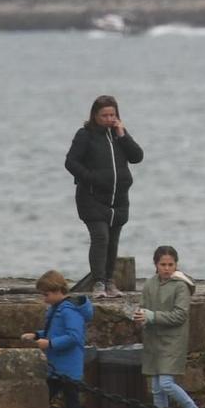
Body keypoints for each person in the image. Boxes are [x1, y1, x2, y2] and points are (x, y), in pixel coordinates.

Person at [64, 94, 144, 296]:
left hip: (118, 200)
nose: (109, 119)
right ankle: (98, 282)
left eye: (112, 115)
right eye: (104, 115)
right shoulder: (85, 135)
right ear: (95, 115)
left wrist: (122, 134)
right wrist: (91, 178)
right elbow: (71, 162)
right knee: (101, 237)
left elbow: (137, 157)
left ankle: (110, 282)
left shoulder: (119, 135)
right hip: (91, 198)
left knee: (113, 241)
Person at [134, 245, 200, 408]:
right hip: (153, 340)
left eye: (171, 264)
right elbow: (143, 307)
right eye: (163, 264)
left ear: (176, 265)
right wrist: (139, 317)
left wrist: (153, 316)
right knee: (156, 389)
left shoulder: (181, 286)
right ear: (156, 265)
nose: (167, 268)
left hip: (173, 340)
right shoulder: (149, 284)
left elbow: (180, 315)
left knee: (165, 383)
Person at [25, 270, 93, 408]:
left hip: (68, 368)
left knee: (73, 406)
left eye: (46, 294)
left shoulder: (69, 310)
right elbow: (54, 330)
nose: (44, 299)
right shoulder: (57, 309)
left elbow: (74, 337)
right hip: (56, 367)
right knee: (41, 401)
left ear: (57, 291)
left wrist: (50, 344)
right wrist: (38, 335)